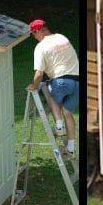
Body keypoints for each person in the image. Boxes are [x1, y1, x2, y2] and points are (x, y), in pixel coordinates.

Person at [25, 19, 79, 156]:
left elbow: (39, 73)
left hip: (60, 81)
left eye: (33, 34)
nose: (34, 37)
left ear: (38, 32)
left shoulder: (41, 47)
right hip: (77, 82)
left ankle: (59, 125)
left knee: (47, 89)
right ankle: (71, 148)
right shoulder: (62, 37)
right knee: (68, 113)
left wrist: (34, 86)